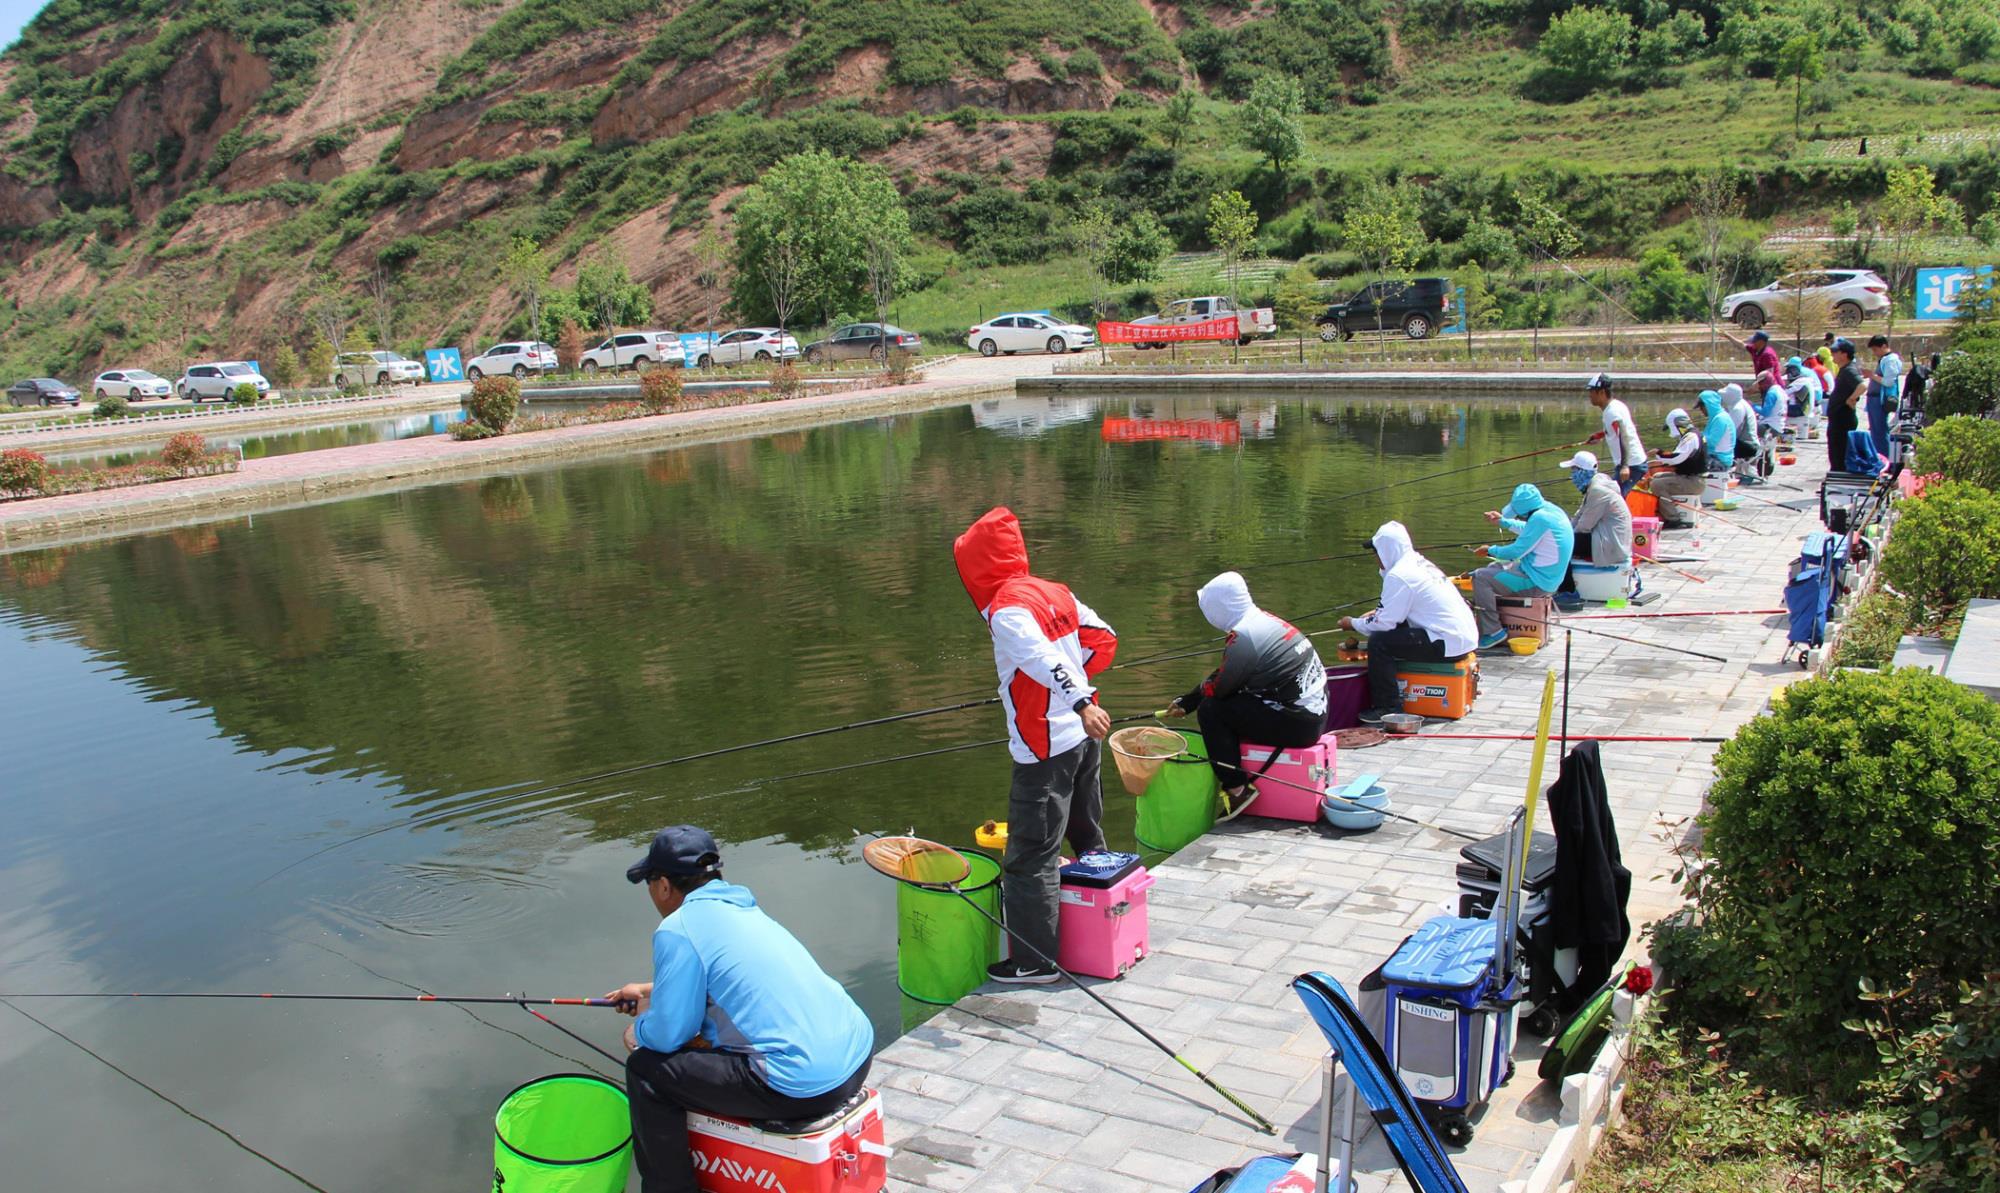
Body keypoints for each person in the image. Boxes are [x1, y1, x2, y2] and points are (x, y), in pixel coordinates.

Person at [607, 826, 874, 1193]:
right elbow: (732, 980)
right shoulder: (743, 908)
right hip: (856, 1059)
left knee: (646, 1069)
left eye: (650, 883)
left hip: (801, 1086)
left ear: (664, 885)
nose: (652, 894)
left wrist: (638, 1031)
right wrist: (650, 992)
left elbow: (670, 1034)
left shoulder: (677, 928)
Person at [953, 507, 1116, 984]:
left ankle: (1034, 962)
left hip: (1045, 747)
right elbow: (1104, 638)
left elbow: (1042, 658)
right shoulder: (1052, 589)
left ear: (977, 568)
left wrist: (1079, 699)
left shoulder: (1006, 610)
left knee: (1029, 856)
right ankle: (1102, 915)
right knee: (1086, 831)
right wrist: (1081, 690)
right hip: (1085, 739)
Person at [1165, 572, 1328, 794]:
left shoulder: (1244, 640)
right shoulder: (1264, 621)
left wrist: (1195, 702)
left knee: (1211, 711)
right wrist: (1189, 699)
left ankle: (1236, 788)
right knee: (1227, 701)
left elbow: (1220, 690)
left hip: (1301, 726)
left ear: (1219, 608)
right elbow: (1228, 674)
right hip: (1317, 716)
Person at [1338, 521, 1478, 723]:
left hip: (1447, 643)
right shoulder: (1418, 563)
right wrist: (1377, 614)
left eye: (1376, 552)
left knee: (1379, 642)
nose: (1375, 557)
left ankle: (1387, 707)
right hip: (1462, 638)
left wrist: (1351, 623)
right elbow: (1394, 614)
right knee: (1392, 632)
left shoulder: (1399, 575)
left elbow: (1382, 625)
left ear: (1387, 550)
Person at [1468, 483, 1575, 650]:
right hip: (1547, 577)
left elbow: (1516, 551)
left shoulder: (1540, 518)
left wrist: (1490, 549)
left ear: (1525, 510)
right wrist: (1503, 522)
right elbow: (1529, 529)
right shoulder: (1551, 511)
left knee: (1480, 577)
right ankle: (1492, 621)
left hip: (1538, 582)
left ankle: (1493, 632)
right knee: (1492, 568)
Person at [1555, 451, 1633, 610]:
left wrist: (1560, 537)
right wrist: (1561, 528)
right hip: (1607, 538)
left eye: (1574, 471)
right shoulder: (1596, 485)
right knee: (1562, 538)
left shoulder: (1598, 491)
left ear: (1582, 471)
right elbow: (1579, 516)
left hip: (1611, 545)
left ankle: (1568, 592)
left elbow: (1584, 526)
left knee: (1561, 546)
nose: (1572, 475)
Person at [1584, 373, 1647, 494]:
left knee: (1614, 497)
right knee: (1613, 496)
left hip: (1632, 464)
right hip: (1631, 463)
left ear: (1601, 392)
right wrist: (1601, 435)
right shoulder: (1615, 406)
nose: (1589, 395)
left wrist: (1624, 466)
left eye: (1592, 391)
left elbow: (1624, 436)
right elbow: (1618, 430)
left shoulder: (1612, 412)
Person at [1648, 409, 1706, 529]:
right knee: (1656, 477)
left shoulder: (1690, 437)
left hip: (1694, 481)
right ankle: (1665, 510)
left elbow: (1677, 457)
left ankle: (1673, 518)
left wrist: (1659, 453)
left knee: (1656, 484)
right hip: (1691, 478)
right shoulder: (1693, 434)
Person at [1827, 337, 1863, 472]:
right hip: (1838, 419)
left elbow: (1862, 385)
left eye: (1836, 352)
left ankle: (1839, 481)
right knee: (1835, 453)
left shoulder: (1849, 370)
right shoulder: (1844, 369)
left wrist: (1852, 398)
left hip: (1843, 419)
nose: (1833, 355)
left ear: (1844, 354)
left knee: (1839, 454)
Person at [1864, 334, 1902, 460]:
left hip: (1879, 400)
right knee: (1875, 431)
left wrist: (1872, 375)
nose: (1875, 353)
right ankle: (1880, 458)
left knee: (1880, 432)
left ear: (1884, 346)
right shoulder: (1885, 360)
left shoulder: (1890, 360)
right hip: (1874, 399)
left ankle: (1885, 459)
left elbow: (1888, 381)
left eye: (1876, 350)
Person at [1721, 383, 1762, 483]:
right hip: (1749, 443)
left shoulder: (1737, 409)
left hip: (1749, 446)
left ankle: (1720, 473)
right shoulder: (1741, 403)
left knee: (1717, 448)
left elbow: (1731, 431)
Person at [1785, 357, 1824, 440]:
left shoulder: (1798, 382)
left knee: (1780, 409)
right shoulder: (1806, 377)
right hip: (1812, 404)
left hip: (1804, 409)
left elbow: (1784, 394)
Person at [1698, 388, 1735, 473]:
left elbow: (1710, 442)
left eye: (1701, 407)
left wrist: (1696, 437)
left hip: (1720, 460)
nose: (1700, 410)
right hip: (1715, 457)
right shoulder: (1715, 417)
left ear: (1708, 405)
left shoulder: (1720, 419)